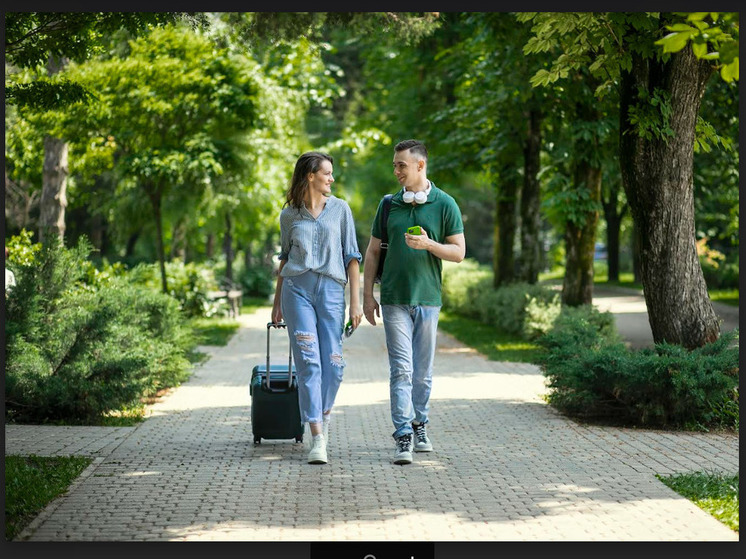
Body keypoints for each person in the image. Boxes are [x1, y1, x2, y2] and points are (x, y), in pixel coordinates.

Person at [363, 139, 465, 465]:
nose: (396, 171)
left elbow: (459, 252)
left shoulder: (445, 203)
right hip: (393, 298)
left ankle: (421, 424)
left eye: (401, 165)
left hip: (428, 299)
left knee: (423, 374)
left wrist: (429, 245)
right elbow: (373, 251)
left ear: (420, 165)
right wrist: (367, 296)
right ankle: (403, 435)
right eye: (394, 165)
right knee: (402, 371)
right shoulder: (389, 204)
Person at [271, 151, 363, 465]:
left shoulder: (340, 210)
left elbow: (352, 257)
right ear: (311, 175)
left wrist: (356, 303)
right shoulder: (289, 215)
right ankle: (317, 437)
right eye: (327, 173)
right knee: (309, 362)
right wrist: (276, 303)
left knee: (334, 366)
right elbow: (284, 259)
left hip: (332, 293)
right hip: (297, 290)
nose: (331, 178)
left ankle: (319, 415)